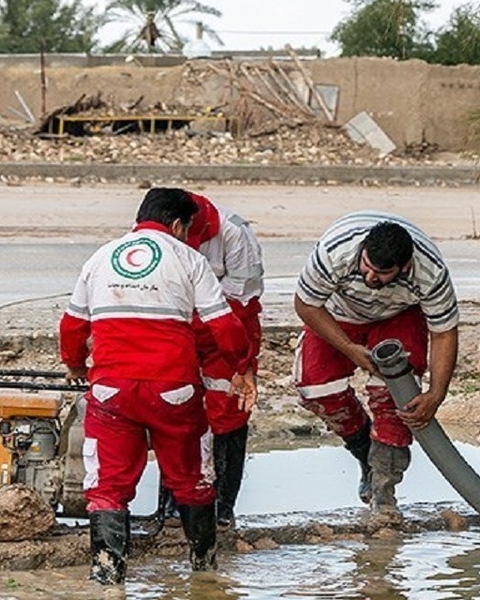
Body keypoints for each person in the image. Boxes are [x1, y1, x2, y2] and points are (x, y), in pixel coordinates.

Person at [59, 187, 249, 585]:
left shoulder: (101, 257)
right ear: (178, 226)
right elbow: (226, 327)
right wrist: (240, 367)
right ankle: (204, 573)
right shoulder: (190, 260)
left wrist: (75, 365)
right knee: (192, 480)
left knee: (108, 486)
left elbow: (72, 326)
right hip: (174, 391)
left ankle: (109, 579)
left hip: (111, 392)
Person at [293, 211, 459, 516]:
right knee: (316, 388)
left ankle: (384, 495)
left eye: (382, 275)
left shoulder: (430, 272)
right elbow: (305, 304)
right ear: (362, 252)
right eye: (366, 268)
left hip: (399, 314)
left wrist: (436, 394)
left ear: (404, 267)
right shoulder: (335, 252)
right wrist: (349, 348)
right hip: (338, 314)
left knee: (396, 399)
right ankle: (364, 454)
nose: (370, 278)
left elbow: (444, 333)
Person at [184, 191, 264, 528]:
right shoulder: (155, 231)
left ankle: (223, 507)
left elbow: (242, 303)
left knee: (229, 409)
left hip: (229, 328)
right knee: (179, 407)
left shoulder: (234, 233)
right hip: (180, 328)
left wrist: (243, 363)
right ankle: (180, 501)